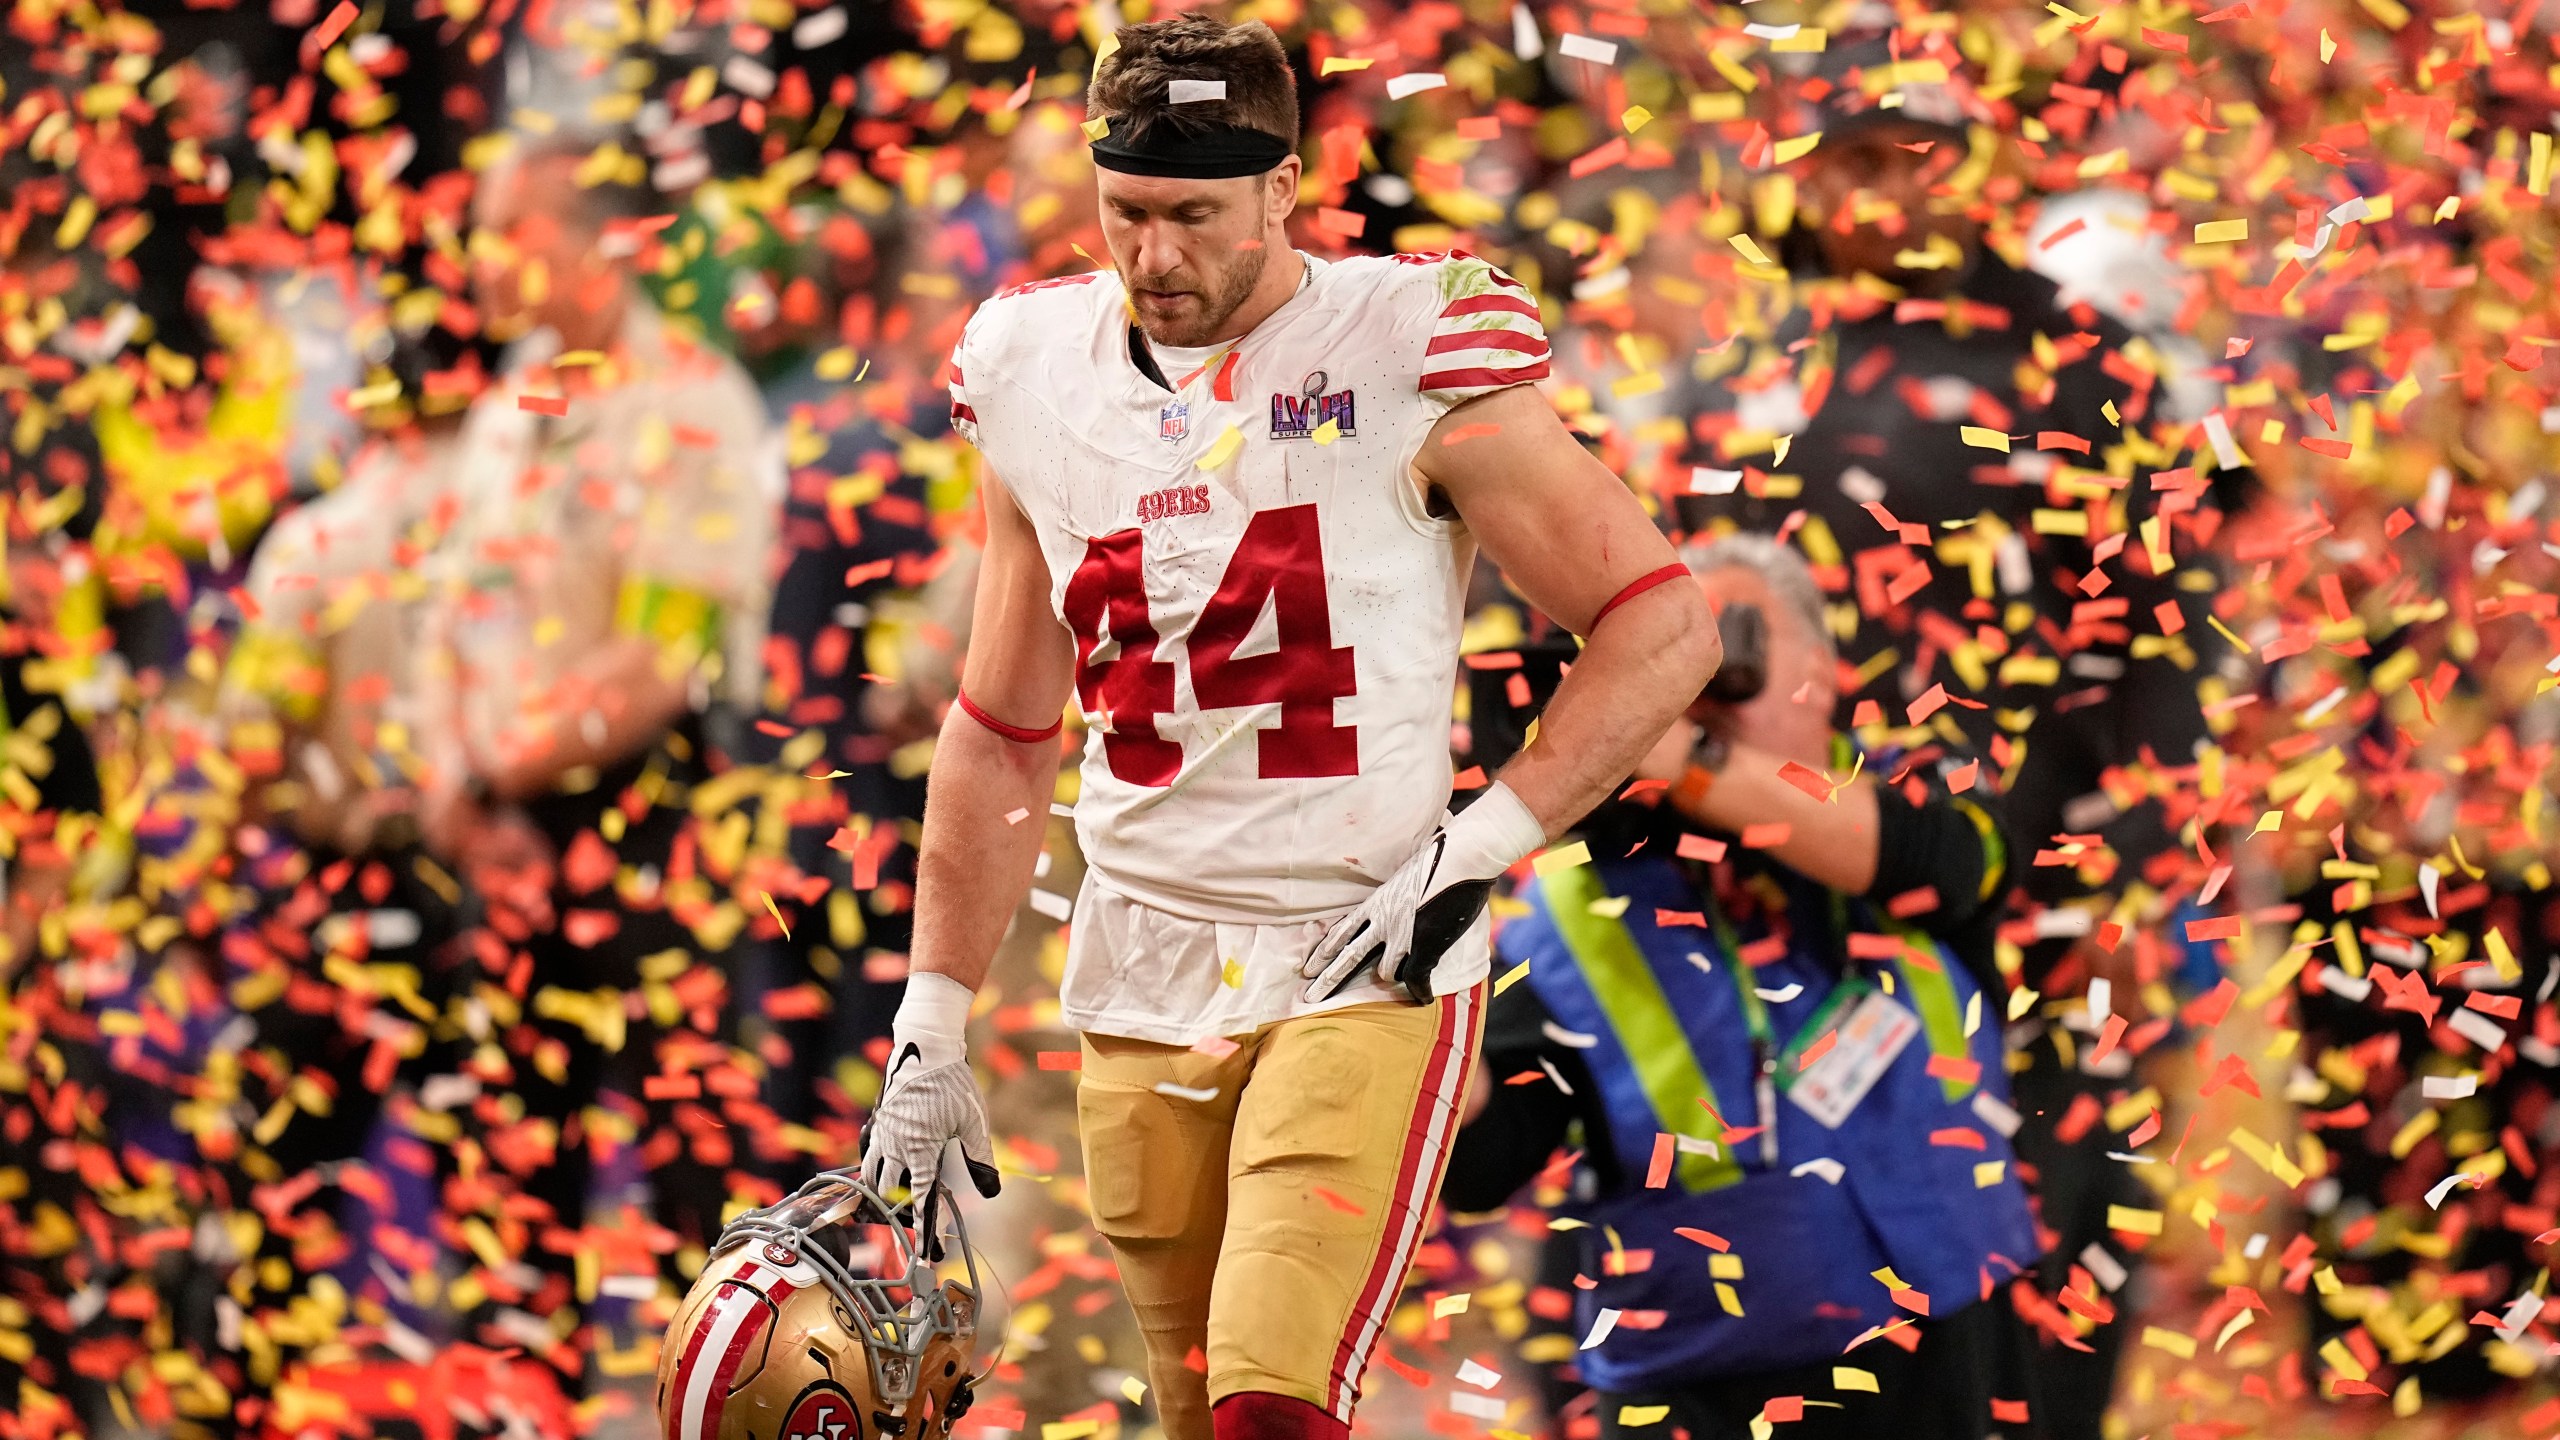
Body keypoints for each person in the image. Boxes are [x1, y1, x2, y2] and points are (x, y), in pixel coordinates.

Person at [849, 16, 1720, 1440]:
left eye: (1194, 216)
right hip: (1139, 962)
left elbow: (1659, 620)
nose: (1157, 258)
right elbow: (1004, 724)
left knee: (1273, 1405)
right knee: (1192, 1414)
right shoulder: (1028, 365)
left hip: (1360, 949)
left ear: (1285, 189)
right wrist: (931, 1017)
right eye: (1126, 214)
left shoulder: (1403, 339)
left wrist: (1481, 845)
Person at [1693, 30, 2224, 1434]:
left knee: (2037, 1278)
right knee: (1826, 1289)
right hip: (1799, 890)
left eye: (1911, 159)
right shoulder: (1759, 365)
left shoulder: (2079, 363)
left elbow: (2165, 656)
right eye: (1850, 161)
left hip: (2030, 904)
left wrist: (2135, 878)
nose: (1879, 194)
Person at [1443, 535, 2039, 1440]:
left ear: (1826, 668)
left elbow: (1930, 862)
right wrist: (1419, 1016)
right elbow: (1489, 1165)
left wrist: (1672, 749)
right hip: (1699, 1385)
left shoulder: (1923, 794)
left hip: (1944, 1344)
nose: (1700, 700)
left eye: (1728, 656)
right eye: (1665, 665)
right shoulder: (1567, 904)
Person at [415, 132, 777, 1393]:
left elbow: (659, 658)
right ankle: (520, 1407)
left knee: (690, 1153)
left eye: (512, 229)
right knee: (513, 1156)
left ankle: (719, 1403)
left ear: (602, 245)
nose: (480, 259)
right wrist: (457, 790)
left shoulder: (691, 403)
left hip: (648, 813)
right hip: (500, 818)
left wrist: (503, 781)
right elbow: (451, 617)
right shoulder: (506, 398)